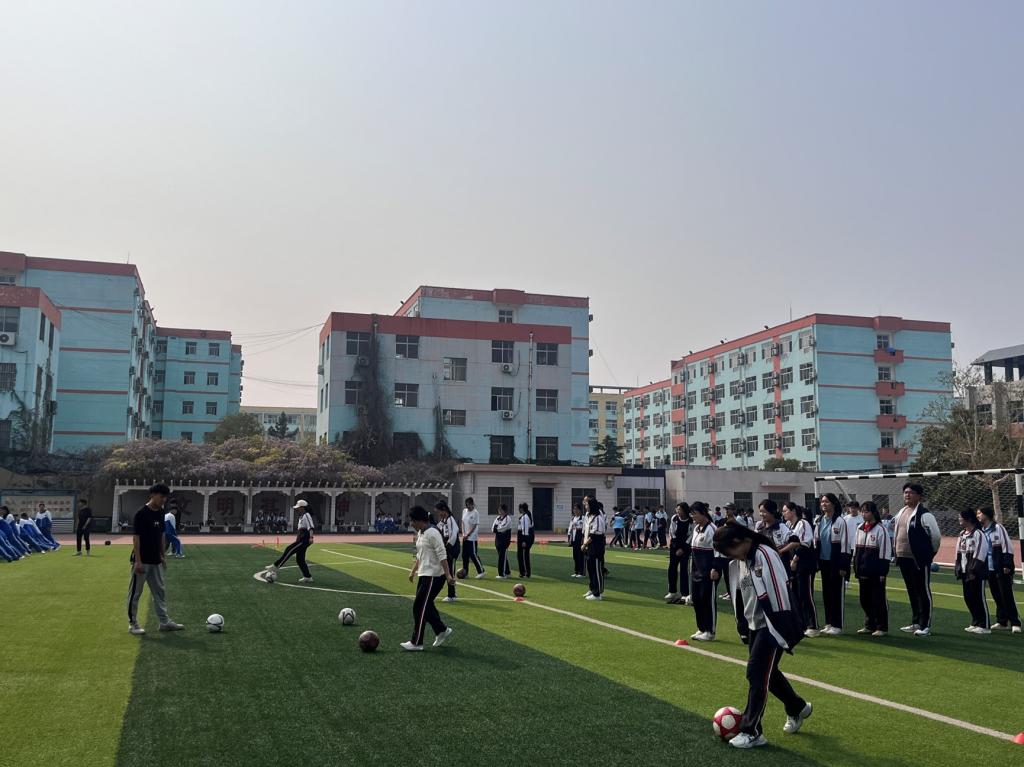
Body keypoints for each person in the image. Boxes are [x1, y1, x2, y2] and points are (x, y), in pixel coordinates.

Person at [714, 523, 812, 749]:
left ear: (739, 541)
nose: (731, 557)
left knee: (756, 673)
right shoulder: (741, 561)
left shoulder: (764, 555)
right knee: (769, 673)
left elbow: (780, 593)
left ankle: (752, 731)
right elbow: (743, 595)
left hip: (772, 624)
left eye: (730, 551)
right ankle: (797, 707)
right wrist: (742, 625)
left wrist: (780, 629)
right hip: (754, 624)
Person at [126, 484, 184, 635]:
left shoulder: (160, 513)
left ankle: (164, 622)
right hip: (142, 560)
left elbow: (162, 535)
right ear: (152, 495)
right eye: (161, 496)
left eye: (165, 497)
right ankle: (133, 624)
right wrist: (138, 561)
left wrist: (162, 556)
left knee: (160, 592)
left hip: (156, 560)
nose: (163, 500)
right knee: (135, 593)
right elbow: (136, 539)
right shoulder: (141, 514)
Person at [402, 505, 456, 651]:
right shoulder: (421, 533)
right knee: (427, 606)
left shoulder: (433, 533)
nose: (411, 524)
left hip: (434, 576)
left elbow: (442, 554)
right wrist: (413, 571)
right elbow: (420, 555)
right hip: (424, 574)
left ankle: (416, 642)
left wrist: (448, 575)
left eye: (413, 521)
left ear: (420, 520)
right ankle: (441, 630)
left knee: (419, 606)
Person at [892, 483, 941, 637]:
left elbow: (936, 537)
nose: (907, 495)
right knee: (912, 591)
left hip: (918, 560)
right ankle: (916, 622)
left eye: (911, 492)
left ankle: (925, 625)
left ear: (919, 496)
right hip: (903, 557)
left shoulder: (925, 515)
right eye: (905, 492)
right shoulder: (901, 511)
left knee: (922, 591)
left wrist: (929, 554)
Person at [976, 507, 1021, 633]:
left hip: (1001, 568)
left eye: (979, 513)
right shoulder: (981, 531)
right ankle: (1002, 621)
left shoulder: (998, 528)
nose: (977, 515)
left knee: (1006, 595)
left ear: (987, 515)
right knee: (996, 595)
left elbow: (1007, 546)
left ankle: (1015, 622)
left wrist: (1007, 564)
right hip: (989, 569)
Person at [815, 493, 851, 636]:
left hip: (836, 562)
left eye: (827, 501)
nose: (824, 504)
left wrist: (843, 565)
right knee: (827, 593)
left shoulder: (840, 521)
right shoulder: (819, 520)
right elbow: (816, 542)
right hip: (824, 562)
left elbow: (845, 545)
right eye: (822, 502)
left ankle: (837, 624)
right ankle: (829, 622)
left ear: (834, 504)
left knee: (836, 594)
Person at [853, 502, 891, 637]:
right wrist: (856, 568)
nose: (863, 514)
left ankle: (882, 627)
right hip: (863, 571)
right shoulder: (859, 528)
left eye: (866, 511)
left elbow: (885, 552)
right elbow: (856, 550)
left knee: (878, 600)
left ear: (873, 513)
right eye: (862, 511)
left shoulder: (881, 530)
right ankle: (870, 625)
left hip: (876, 572)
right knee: (864, 600)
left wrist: (882, 572)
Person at [781, 502, 819, 638]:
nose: (784, 513)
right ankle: (800, 624)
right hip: (793, 565)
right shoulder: (787, 525)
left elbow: (805, 543)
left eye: (785, 511)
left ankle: (813, 625)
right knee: (795, 595)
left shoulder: (803, 523)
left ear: (793, 511)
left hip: (804, 564)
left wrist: (795, 559)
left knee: (806, 594)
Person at [688, 502, 721, 641]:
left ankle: (710, 631)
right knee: (697, 599)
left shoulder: (712, 529)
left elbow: (718, 551)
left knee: (707, 600)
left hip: (708, 572)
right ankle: (701, 628)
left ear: (703, 513)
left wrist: (716, 568)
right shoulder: (696, 529)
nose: (692, 516)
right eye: (691, 514)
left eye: (694, 513)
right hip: (696, 571)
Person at [955, 509, 990, 634]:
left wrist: (973, 569)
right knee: (968, 597)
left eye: (961, 517)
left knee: (979, 597)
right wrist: (958, 567)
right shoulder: (962, 534)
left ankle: (984, 625)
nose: (959, 519)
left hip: (976, 572)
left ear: (968, 519)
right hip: (965, 572)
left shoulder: (978, 534)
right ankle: (975, 622)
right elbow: (958, 552)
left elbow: (981, 552)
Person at [265, 500, 315, 583]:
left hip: (304, 539)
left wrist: (311, 537)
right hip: (300, 538)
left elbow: (311, 527)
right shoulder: (301, 517)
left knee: (289, 549)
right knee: (300, 559)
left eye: (298, 508)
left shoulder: (306, 515)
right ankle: (307, 577)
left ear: (302, 508)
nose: (297, 510)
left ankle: (275, 566)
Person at [665, 502, 692, 605]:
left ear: (685, 510)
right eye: (677, 509)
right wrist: (675, 546)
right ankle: (672, 591)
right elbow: (672, 532)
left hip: (685, 547)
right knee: (672, 568)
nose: (678, 511)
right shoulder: (674, 518)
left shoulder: (691, 521)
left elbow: (691, 535)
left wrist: (683, 548)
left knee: (684, 570)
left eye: (680, 509)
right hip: (675, 546)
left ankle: (685, 594)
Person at [434, 501, 460, 603]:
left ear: (444, 510)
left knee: (450, 571)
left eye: (439, 511)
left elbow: (454, 534)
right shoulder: (443, 520)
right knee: (446, 570)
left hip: (452, 549)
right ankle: (450, 593)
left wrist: (448, 546)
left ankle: (452, 595)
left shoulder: (450, 519)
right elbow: (437, 528)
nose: (438, 514)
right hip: (446, 548)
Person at [582, 498, 607, 600]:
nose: (585, 506)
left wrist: (584, 544)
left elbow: (595, 535)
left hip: (596, 547)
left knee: (596, 570)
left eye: (587, 505)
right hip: (589, 547)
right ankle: (592, 589)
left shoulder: (597, 518)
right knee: (591, 569)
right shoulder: (589, 516)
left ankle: (597, 593)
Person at [757, 500, 792, 567]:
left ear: (772, 512)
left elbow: (795, 542)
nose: (761, 514)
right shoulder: (760, 528)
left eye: (764, 512)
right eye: (760, 511)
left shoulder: (781, 526)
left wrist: (781, 551)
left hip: (781, 566)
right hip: (766, 565)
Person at [460, 497, 485, 579]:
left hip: (472, 538)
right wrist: (463, 534)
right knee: (464, 555)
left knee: (473, 555)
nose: (468, 506)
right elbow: (463, 522)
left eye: (469, 505)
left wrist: (468, 534)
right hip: (465, 537)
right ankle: (465, 573)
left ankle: (481, 571)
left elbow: (474, 526)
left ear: (472, 504)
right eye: (466, 505)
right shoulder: (464, 511)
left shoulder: (475, 513)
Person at [491, 504, 513, 579]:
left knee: (502, 557)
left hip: (504, 539)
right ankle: (507, 572)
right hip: (498, 539)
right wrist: (497, 529)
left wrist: (497, 529)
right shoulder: (497, 518)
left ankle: (502, 574)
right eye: (499, 509)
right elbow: (493, 528)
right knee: (502, 556)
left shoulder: (508, 518)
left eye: (501, 509)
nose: (499, 510)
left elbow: (503, 528)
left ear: (504, 510)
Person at [516, 502, 535, 578]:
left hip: (524, 536)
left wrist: (524, 541)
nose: (519, 510)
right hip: (528, 535)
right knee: (525, 555)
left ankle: (524, 572)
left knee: (522, 555)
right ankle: (526, 572)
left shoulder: (525, 517)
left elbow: (525, 529)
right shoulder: (528, 514)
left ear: (522, 509)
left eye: (519, 508)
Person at [568, 504, 586, 577]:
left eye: (576, 509)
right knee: (575, 555)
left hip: (580, 537)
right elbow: (570, 528)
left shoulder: (583, 518)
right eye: (574, 509)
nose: (575, 510)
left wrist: (583, 538)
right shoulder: (573, 518)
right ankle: (576, 571)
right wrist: (569, 538)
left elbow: (585, 528)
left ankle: (581, 572)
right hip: (574, 538)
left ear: (580, 510)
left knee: (580, 555)